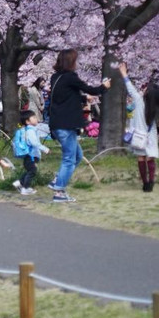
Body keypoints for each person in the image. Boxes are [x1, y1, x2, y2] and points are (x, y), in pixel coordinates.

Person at [47, 49, 110, 203]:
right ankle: (59, 192)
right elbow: (92, 89)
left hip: (58, 123)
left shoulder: (56, 77)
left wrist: (83, 98)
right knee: (69, 159)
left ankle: (57, 180)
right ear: (71, 62)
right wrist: (104, 86)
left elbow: (65, 96)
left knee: (77, 156)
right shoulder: (71, 77)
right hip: (65, 125)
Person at [119, 62, 159, 191]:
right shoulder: (156, 107)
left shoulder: (139, 100)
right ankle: (151, 182)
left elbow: (130, 88)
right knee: (150, 158)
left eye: (145, 89)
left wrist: (124, 73)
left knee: (141, 158)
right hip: (150, 136)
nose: (143, 89)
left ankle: (145, 183)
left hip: (138, 136)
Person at [12, 110, 49, 195]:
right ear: (27, 121)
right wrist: (45, 149)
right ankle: (25, 188)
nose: (36, 119)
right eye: (34, 117)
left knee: (30, 170)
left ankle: (19, 182)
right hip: (31, 155)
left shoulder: (27, 130)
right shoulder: (30, 131)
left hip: (29, 155)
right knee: (32, 171)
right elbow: (34, 143)